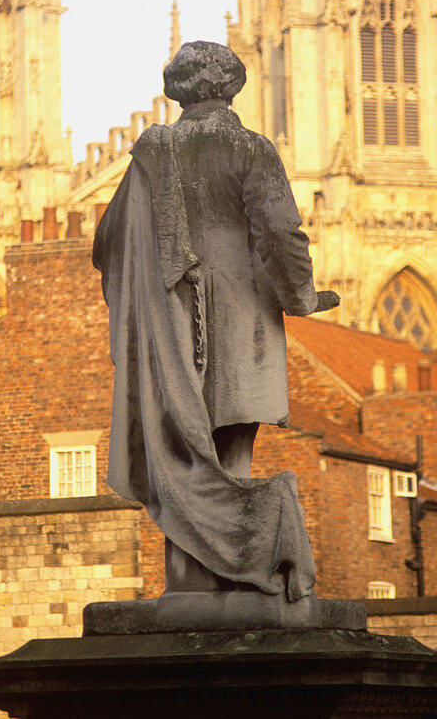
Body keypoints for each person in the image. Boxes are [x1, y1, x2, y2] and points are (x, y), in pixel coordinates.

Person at [93, 41, 338, 600]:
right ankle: (240, 574)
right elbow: (279, 233)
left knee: (181, 450)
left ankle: (189, 583)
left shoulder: (148, 157)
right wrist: (300, 297)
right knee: (229, 453)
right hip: (241, 322)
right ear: (232, 86)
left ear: (177, 88)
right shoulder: (247, 148)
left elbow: (108, 242)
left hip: (168, 329)